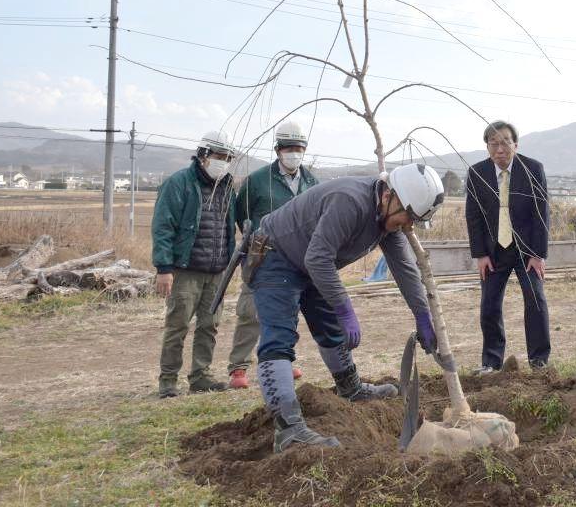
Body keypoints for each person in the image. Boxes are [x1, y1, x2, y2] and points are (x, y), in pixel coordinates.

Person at [250, 164, 445, 452]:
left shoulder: (387, 219)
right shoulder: (350, 201)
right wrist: (345, 308)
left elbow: (405, 269)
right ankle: (289, 430)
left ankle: (350, 389)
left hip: (309, 260)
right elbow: (318, 259)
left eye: (414, 220)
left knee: (329, 327)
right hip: (275, 255)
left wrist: (422, 316)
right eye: (408, 216)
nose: (408, 226)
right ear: (389, 195)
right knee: (279, 338)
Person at [226, 121, 318, 389]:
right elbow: (241, 215)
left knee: (288, 311)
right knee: (251, 311)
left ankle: (283, 361)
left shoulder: (311, 182)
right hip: (262, 256)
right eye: (288, 148)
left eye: (298, 148)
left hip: (296, 258)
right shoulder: (257, 181)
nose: (293, 153)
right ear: (278, 149)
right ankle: (238, 368)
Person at [152, 130, 238, 398]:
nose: (222, 162)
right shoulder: (179, 183)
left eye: (227, 157)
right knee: (177, 325)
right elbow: (163, 227)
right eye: (218, 156)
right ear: (203, 155)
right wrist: (163, 268)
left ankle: (200, 376)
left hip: (216, 270)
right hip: (185, 270)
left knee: (209, 325)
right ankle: (168, 380)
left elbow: (228, 228)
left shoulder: (226, 187)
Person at [464, 121, 551, 373]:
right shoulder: (477, 172)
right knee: (489, 305)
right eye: (493, 143)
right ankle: (491, 362)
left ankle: (539, 361)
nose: (499, 149)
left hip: (526, 251)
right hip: (493, 251)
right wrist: (480, 254)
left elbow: (541, 212)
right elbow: (474, 216)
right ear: (487, 147)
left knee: (535, 301)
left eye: (505, 142)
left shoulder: (532, 168)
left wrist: (538, 254)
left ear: (515, 144)